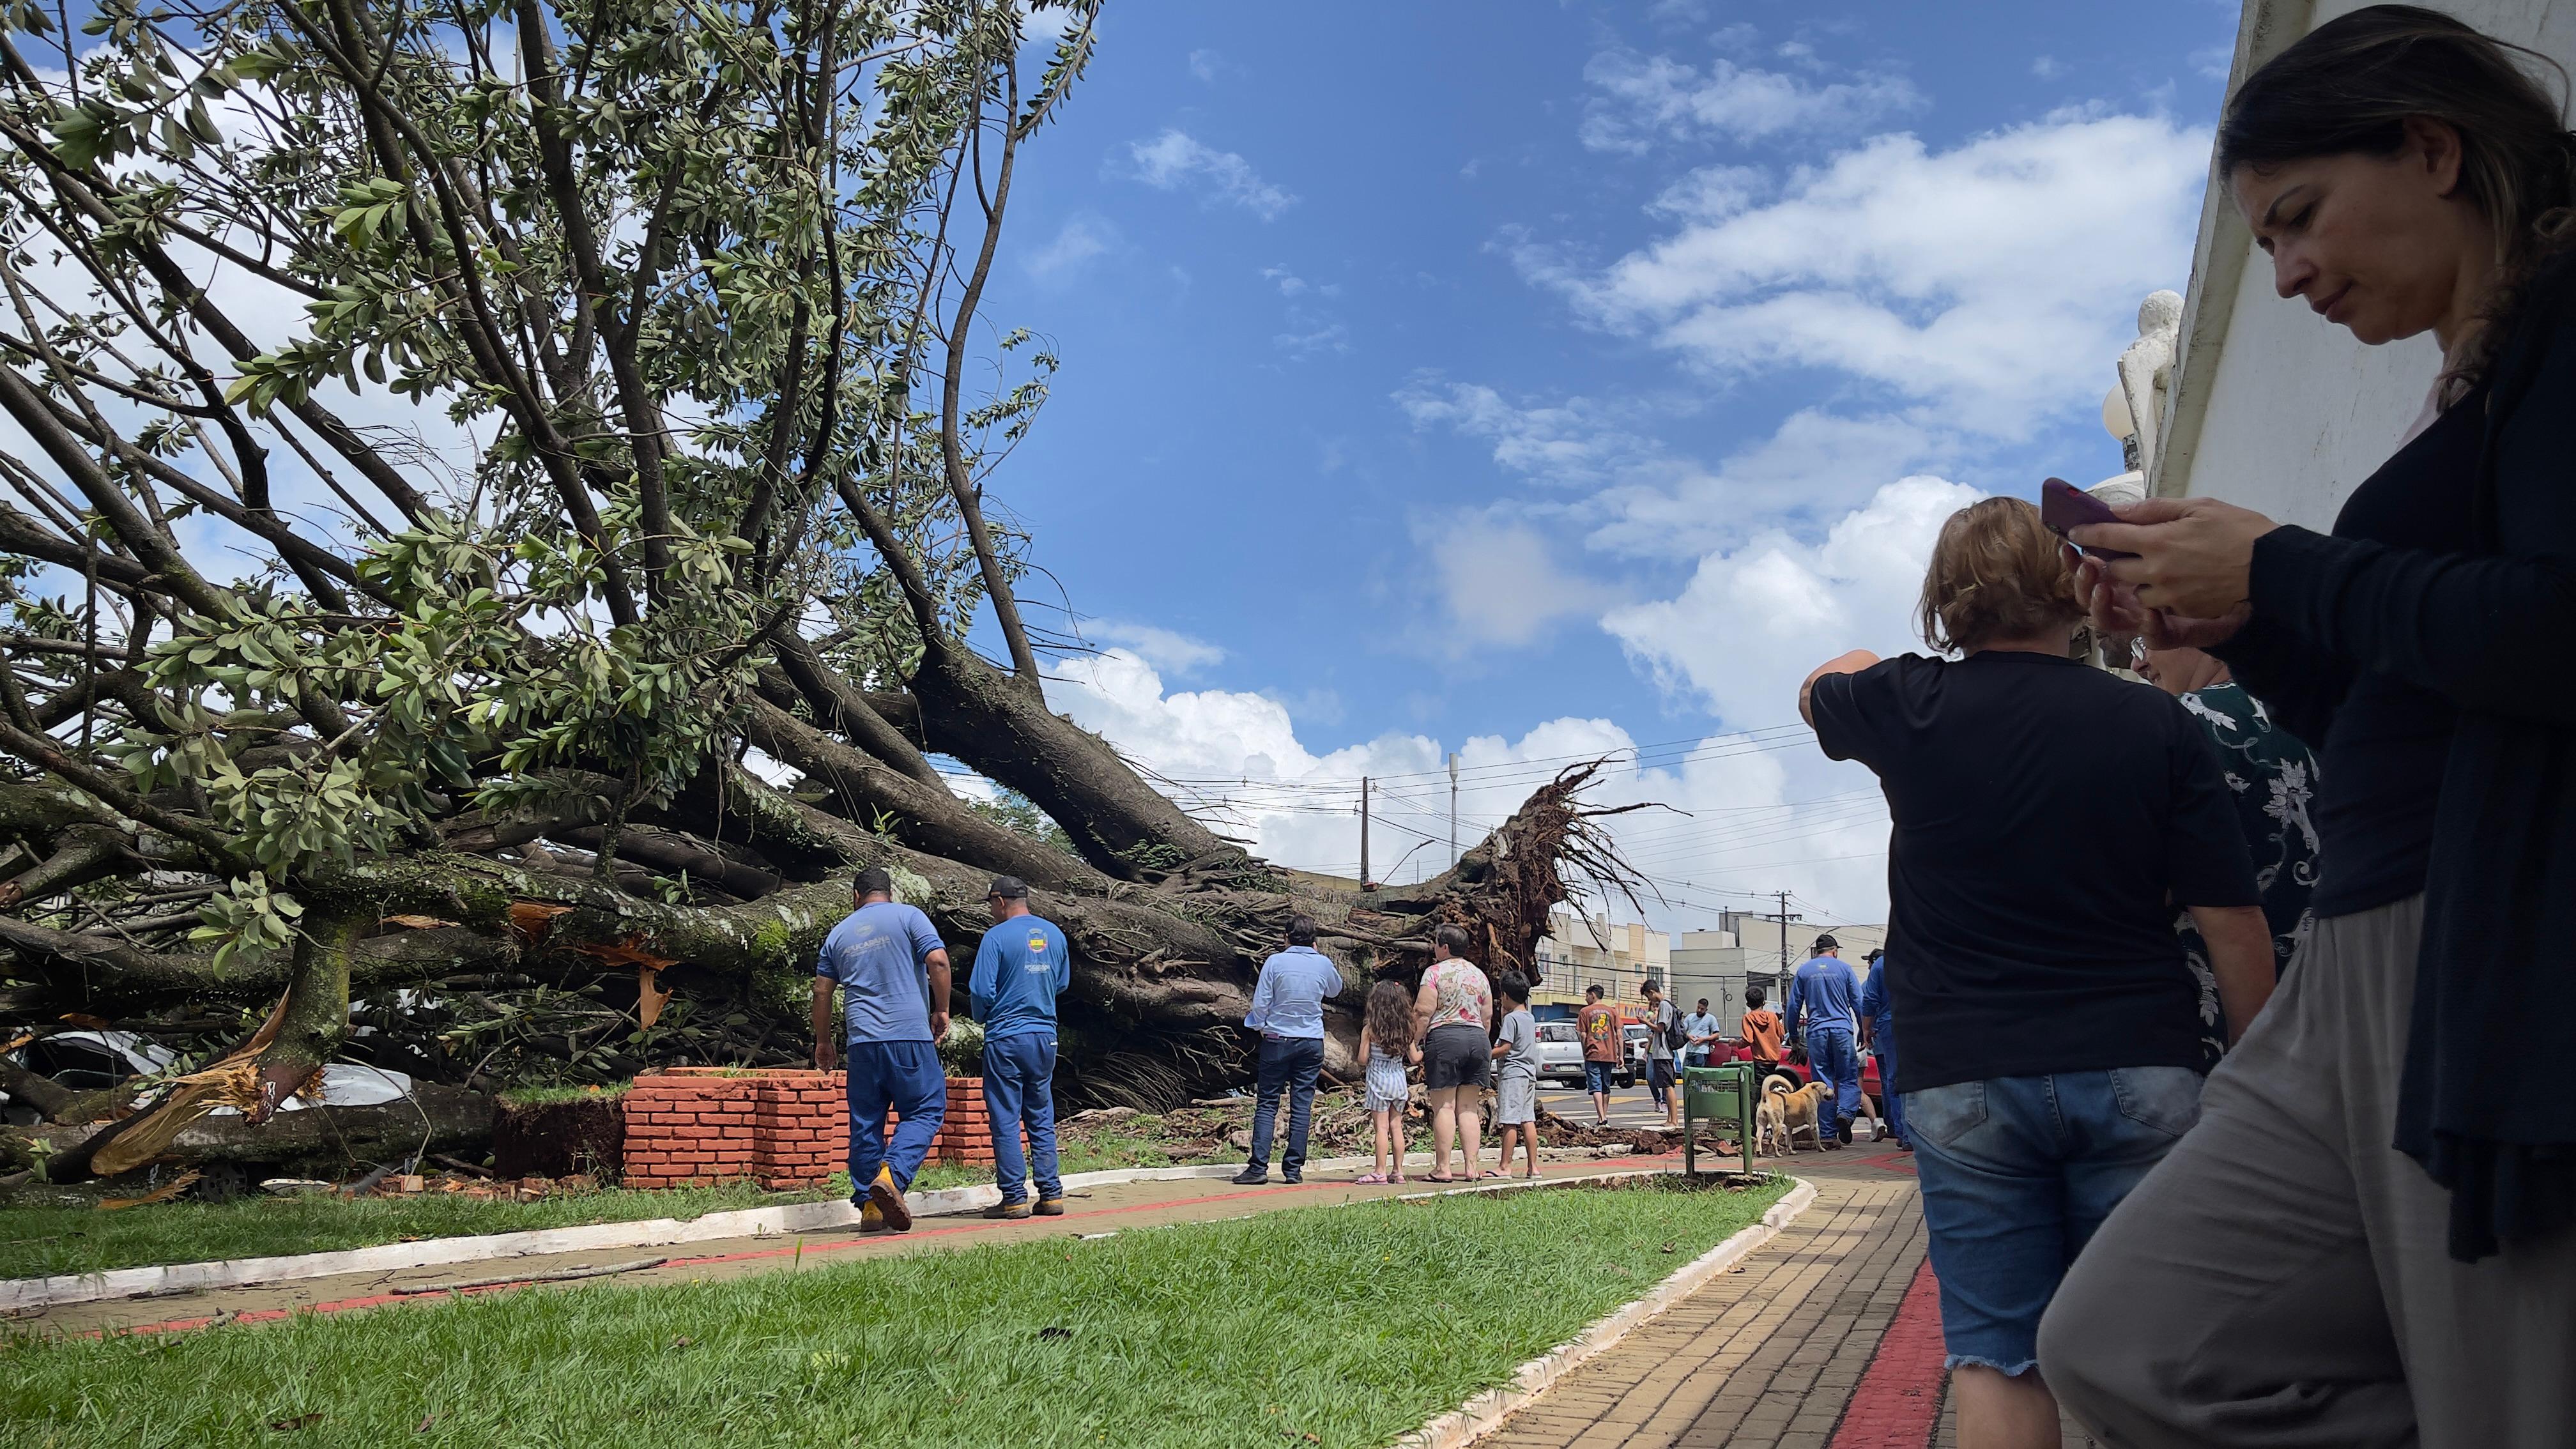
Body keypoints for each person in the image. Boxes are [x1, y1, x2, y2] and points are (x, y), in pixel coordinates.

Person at [2040, 12, 2576, 1443]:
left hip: (2477, 955)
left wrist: (2282, 566)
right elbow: (2399, 710)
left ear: (2431, 146)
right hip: (2359, 944)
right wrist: (2244, 624)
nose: (2285, 276)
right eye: (2264, 242)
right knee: (2127, 1343)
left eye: (2299, 218)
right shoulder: (2468, 380)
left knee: (2507, 1392)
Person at [1800, 494, 2275, 1449]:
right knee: (2149, 1355)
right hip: (2139, 1065)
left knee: (1998, 1355)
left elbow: (1820, 683)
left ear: (1945, 605)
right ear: (2075, 591)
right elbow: (2233, 923)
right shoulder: (2157, 725)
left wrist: (1894, 661)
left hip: (1966, 1075)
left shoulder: (1908, 705)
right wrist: (2260, 1079)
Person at [2133, 638, 2322, 1064]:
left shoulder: (2180, 724)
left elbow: (2138, 883)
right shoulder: (2314, 711)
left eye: (2147, 642)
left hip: (2220, 1029)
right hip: (2328, 1009)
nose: (2138, 661)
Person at [811, 866, 953, 1235]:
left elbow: (822, 991)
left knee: (865, 1122)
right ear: (889, 893)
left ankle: (870, 1207)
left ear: (855, 897)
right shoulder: (909, 916)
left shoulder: (838, 934)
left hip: (862, 1044)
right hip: (909, 1036)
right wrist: (941, 1010)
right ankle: (892, 1174)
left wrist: (824, 1042)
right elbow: (937, 960)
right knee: (926, 1109)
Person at [967, 877, 1069, 1220]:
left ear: (999, 901)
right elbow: (1062, 983)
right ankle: (1051, 1195)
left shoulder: (995, 937)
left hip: (1007, 1037)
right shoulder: (1054, 934)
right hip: (1045, 1037)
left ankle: (1013, 1198)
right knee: (1041, 1115)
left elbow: (982, 991)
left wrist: (985, 1017)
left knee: (1007, 1119)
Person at [1232, 914, 1344, 1186]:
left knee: (1268, 1103)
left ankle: (1258, 1167)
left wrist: (1259, 1025)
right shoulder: (1323, 963)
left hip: (1278, 1039)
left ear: (1286, 937)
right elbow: (1336, 990)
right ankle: (1293, 1169)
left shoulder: (1275, 962)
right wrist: (1318, 959)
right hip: (1311, 1041)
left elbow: (1261, 1002)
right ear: (1314, 940)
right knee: (1302, 1105)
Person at [1411, 924, 1493, 1181]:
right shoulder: (1479, 975)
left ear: (1444, 947)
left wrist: (1414, 1041)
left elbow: (1423, 1012)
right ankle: (1471, 1168)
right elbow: (1488, 1016)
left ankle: (1443, 1168)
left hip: (1446, 1037)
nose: (1434, 949)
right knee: (1469, 1106)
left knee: (1445, 1106)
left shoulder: (1434, 973)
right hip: (1478, 1039)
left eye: (1436, 944)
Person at [1786, 937, 1862, 1147]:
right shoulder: (1845, 969)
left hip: (1817, 1031)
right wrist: (1865, 1030)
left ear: (1816, 952)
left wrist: (1793, 1036)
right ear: (1835, 951)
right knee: (1847, 1077)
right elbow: (1859, 1002)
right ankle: (1845, 1114)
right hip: (1841, 1030)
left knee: (1822, 1082)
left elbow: (1793, 1006)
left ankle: (1828, 1135)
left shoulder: (1804, 970)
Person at [1354, 978, 1419, 1185]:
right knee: (1397, 1126)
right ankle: (1398, 1171)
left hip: (1378, 1081)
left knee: (1381, 1129)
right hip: (1398, 1079)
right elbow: (1415, 1058)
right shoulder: (1407, 1029)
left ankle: (1379, 1171)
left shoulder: (1370, 1029)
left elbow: (1362, 1059)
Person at [1488, 972, 1542, 1179]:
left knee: (1509, 1121)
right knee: (1528, 1119)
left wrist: (1486, 1055)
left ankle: (1505, 1166)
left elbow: (1505, 1048)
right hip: (1529, 1073)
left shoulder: (1511, 1019)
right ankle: (1533, 1167)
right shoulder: (1529, 1017)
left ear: (1506, 996)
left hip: (1513, 1074)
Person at [1859, 949, 1907, 1151]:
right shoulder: (1922, 955)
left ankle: (1905, 1134)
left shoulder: (1880, 965)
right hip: (1922, 1024)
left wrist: (1866, 1029)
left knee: (1895, 1081)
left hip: (1890, 1025)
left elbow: (1869, 1000)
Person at [1575, 984, 1621, 1125]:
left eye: (1587, 995)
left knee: (1596, 1085)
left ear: (1593, 995)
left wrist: (1584, 1051)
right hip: (1609, 1054)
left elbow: (1583, 1035)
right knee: (1606, 1086)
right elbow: (1619, 1034)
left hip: (1593, 1053)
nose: (1586, 999)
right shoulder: (1612, 1012)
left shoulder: (1585, 1012)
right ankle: (1604, 1117)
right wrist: (1621, 1055)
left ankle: (1602, 1118)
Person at [1640, 978, 1681, 1130]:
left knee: (1668, 1086)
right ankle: (1671, 1118)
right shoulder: (1667, 1004)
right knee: (1666, 1085)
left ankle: (1674, 1119)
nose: (1649, 1000)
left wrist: (1645, 1022)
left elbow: (1660, 1028)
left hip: (1663, 1052)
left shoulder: (1664, 1005)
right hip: (1663, 1052)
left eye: (1647, 996)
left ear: (1652, 992)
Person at [1737, 984, 1784, 1070]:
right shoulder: (1773, 1017)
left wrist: (1736, 1044)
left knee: (1761, 1084)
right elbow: (1781, 1037)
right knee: (1771, 1083)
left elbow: (1748, 1040)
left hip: (1760, 1061)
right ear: (1763, 1002)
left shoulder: (1748, 1018)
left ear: (1748, 1004)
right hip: (1775, 1061)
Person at [1682, 997, 1720, 1068]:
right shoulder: (1690, 1017)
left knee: (1699, 1076)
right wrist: (1689, 1036)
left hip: (1701, 1052)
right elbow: (1682, 1031)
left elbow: (1717, 1035)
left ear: (1706, 1010)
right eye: (1698, 1007)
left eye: (1702, 1009)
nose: (1699, 1010)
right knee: (1686, 1074)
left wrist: (1703, 1039)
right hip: (1690, 1051)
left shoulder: (1711, 1018)